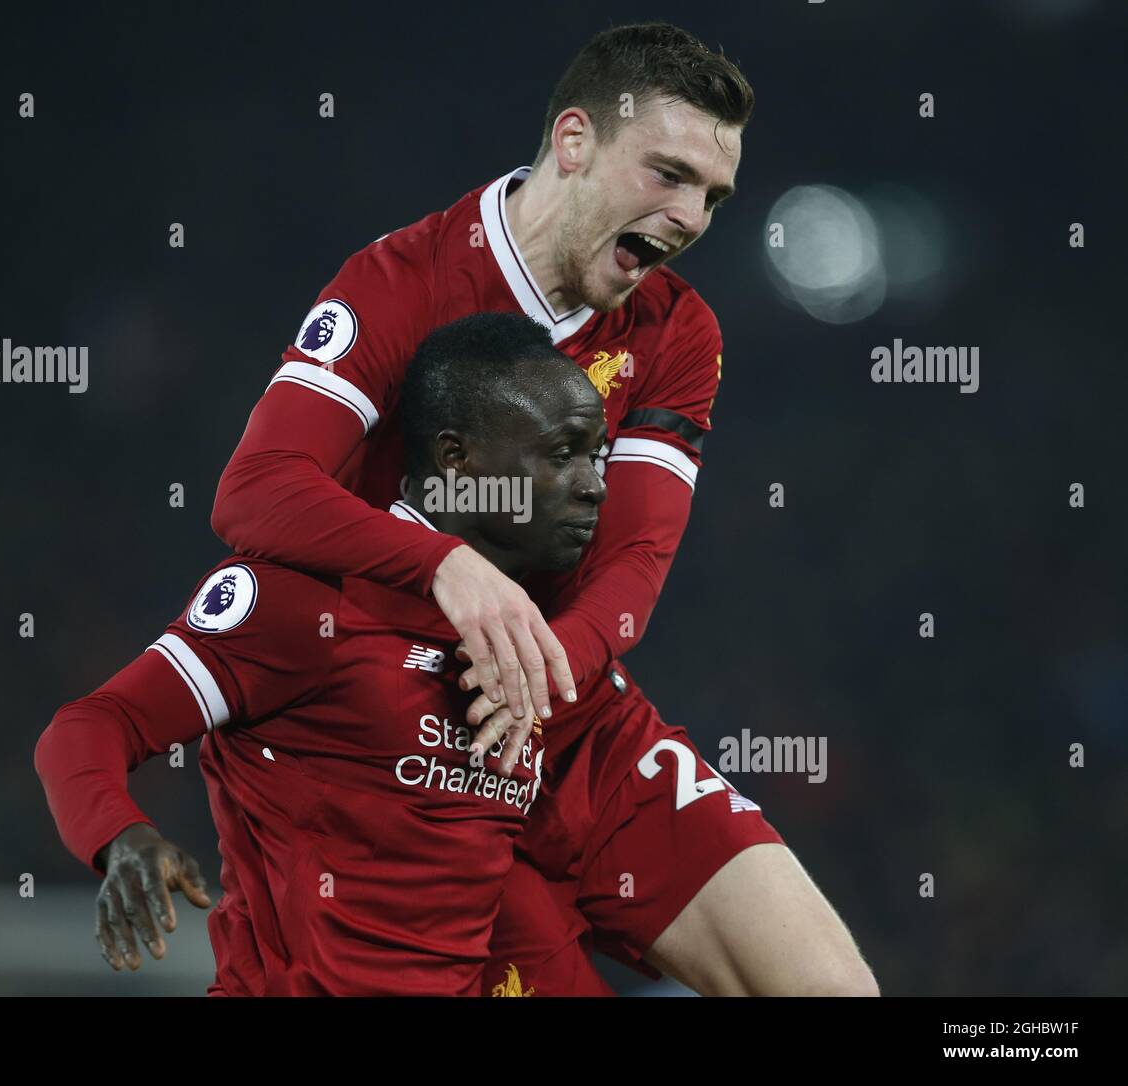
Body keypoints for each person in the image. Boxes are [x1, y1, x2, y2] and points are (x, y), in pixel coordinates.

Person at [205, 22, 879, 995]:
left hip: (568, 715)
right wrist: (444, 566)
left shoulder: (676, 328)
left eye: (713, 196)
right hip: (397, 745)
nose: (689, 216)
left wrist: (548, 665)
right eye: (667, 174)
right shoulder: (401, 282)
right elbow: (255, 492)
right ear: (574, 142)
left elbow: (635, 563)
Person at [35, 313, 610, 995]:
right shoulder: (305, 601)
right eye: (562, 453)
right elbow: (90, 727)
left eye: (597, 456)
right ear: (458, 460)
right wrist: (121, 838)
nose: (594, 485)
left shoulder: (537, 646)